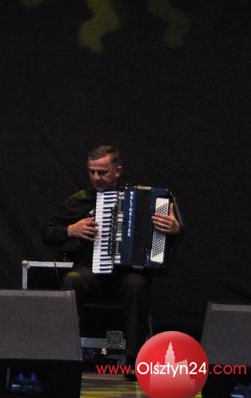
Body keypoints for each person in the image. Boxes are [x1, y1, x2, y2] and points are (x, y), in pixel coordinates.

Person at [42, 145, 182, 369]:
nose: (96, 177)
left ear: (118, 171)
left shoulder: (145, 199)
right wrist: (70, 230)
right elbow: (48, 233)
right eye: (91, 172)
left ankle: (135, 361)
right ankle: (62, 356)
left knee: (136, 284)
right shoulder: (80, 200)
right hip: (90, 273)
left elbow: (167, 240)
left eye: (102, 172)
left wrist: (174, 230)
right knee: (73, 280)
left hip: (126, 275)